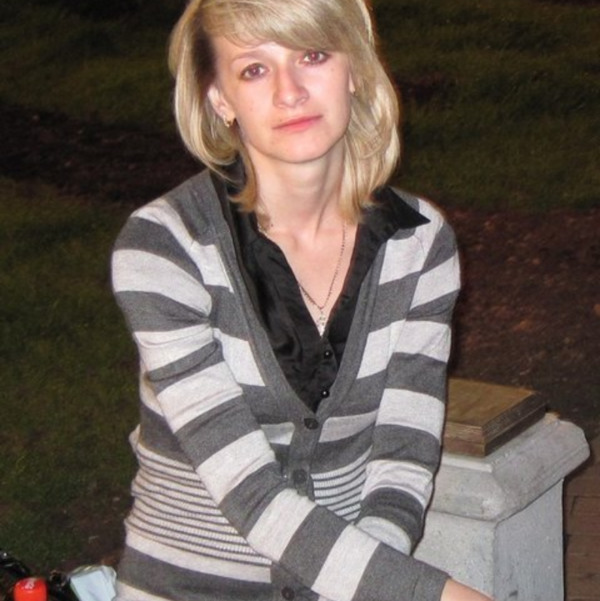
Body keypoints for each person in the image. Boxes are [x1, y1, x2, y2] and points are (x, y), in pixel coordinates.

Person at [111, 1, 494, 600]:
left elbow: (403, 453)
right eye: (254, 69)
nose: (289, 92)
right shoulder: (165, 248)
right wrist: (427, 594)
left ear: (355, 70)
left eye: (312, 55)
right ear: (220, 99)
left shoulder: (419, 242)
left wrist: (366, 586)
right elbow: (249, 491)